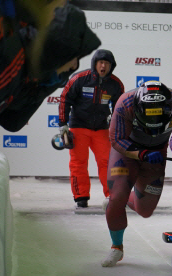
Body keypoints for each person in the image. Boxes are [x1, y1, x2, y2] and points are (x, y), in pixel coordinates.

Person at [0, 3, 100, 235]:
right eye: (74, 58)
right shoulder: (9, 50)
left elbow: (9, 119)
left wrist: (48, 82)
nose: (74, 67)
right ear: (60, 49)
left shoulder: (22, 66)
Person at [101, 81, 172, 267]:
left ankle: (121, 201)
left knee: (145, 210)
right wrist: (141, 154)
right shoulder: (125, 103)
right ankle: (116, 247)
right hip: (127, 150)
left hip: (157, 153)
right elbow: (116, 140)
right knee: (117, 196)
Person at [58, 49, 124, 208]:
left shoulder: (116, 84)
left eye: (107, 64)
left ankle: (112, 196)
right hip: (78, 127)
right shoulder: (79, 79)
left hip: (101, 129)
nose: (103, 66)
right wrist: (63, 125)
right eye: (100, 63)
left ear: (111, 66)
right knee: (78, 163)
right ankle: (81, 197)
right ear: (95, 64)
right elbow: (64, 100)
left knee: (107, 162)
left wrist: (119, 129)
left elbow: (119, 109)